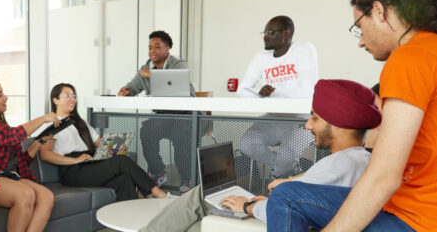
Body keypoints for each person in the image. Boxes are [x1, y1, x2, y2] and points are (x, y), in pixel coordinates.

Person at [267, 0, 437, 231]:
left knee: (286, 199)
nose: (360, 40)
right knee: (289, 193)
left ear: (379, 11)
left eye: (359, 26)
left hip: (431, 220)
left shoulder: (410, 57)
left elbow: (383, 178)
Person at [141, 79, 380, 232]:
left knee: (201, 196)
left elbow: (290, 211)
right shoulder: (358, 159)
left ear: (340, 123)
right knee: (197, 224)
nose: (308, 126)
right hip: (275, 212)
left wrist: (248, 207)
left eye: (315, 118)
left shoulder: (340, 165)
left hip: (273, 222)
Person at [37, 83, 169, 200]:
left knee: (124, 180)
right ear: (55, 100)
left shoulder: (80, 122)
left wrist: (116, 146)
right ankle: (156, 191)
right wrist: (75, 161)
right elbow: (45, 154)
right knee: (121, 161)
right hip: (72, 170)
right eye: (67, 96)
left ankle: (129, 220)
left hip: (88, 163)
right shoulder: (51, 123)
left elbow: (99, 143)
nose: (72, 99)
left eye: (74, 96)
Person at [0, 79, 59, 232]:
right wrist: (43, 118)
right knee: (25, 194)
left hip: (9, 176)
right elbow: (11, 136)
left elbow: (21, 161)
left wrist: (39, 141)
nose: (6, 97)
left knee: (46, 196)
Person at [237, 16, 319, 177]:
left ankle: (281, 176)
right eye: (264, 32)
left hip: (302, 120)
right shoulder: (261, 57)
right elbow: (243, 89)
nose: (265, 36)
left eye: (270, 32)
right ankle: (291, 170)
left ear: (286, 33)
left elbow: (308, 91)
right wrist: (260, 96)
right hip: (273, 118)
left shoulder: (304, 50)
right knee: (247, 143)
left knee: (287, 156)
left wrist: (273, 94)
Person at [118, 30, 197, 191]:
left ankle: (187, 179)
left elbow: (174, 85)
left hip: (185, 114)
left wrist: (152, 75)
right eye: (150, 47)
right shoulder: (145, 67)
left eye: (156, 47)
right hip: (163, 116)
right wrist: (127, 91)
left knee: (180, 137)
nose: (152, 51)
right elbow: (134, 86)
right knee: (147, 131)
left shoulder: (179, 64)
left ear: (167, 49)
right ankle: (158, 172)